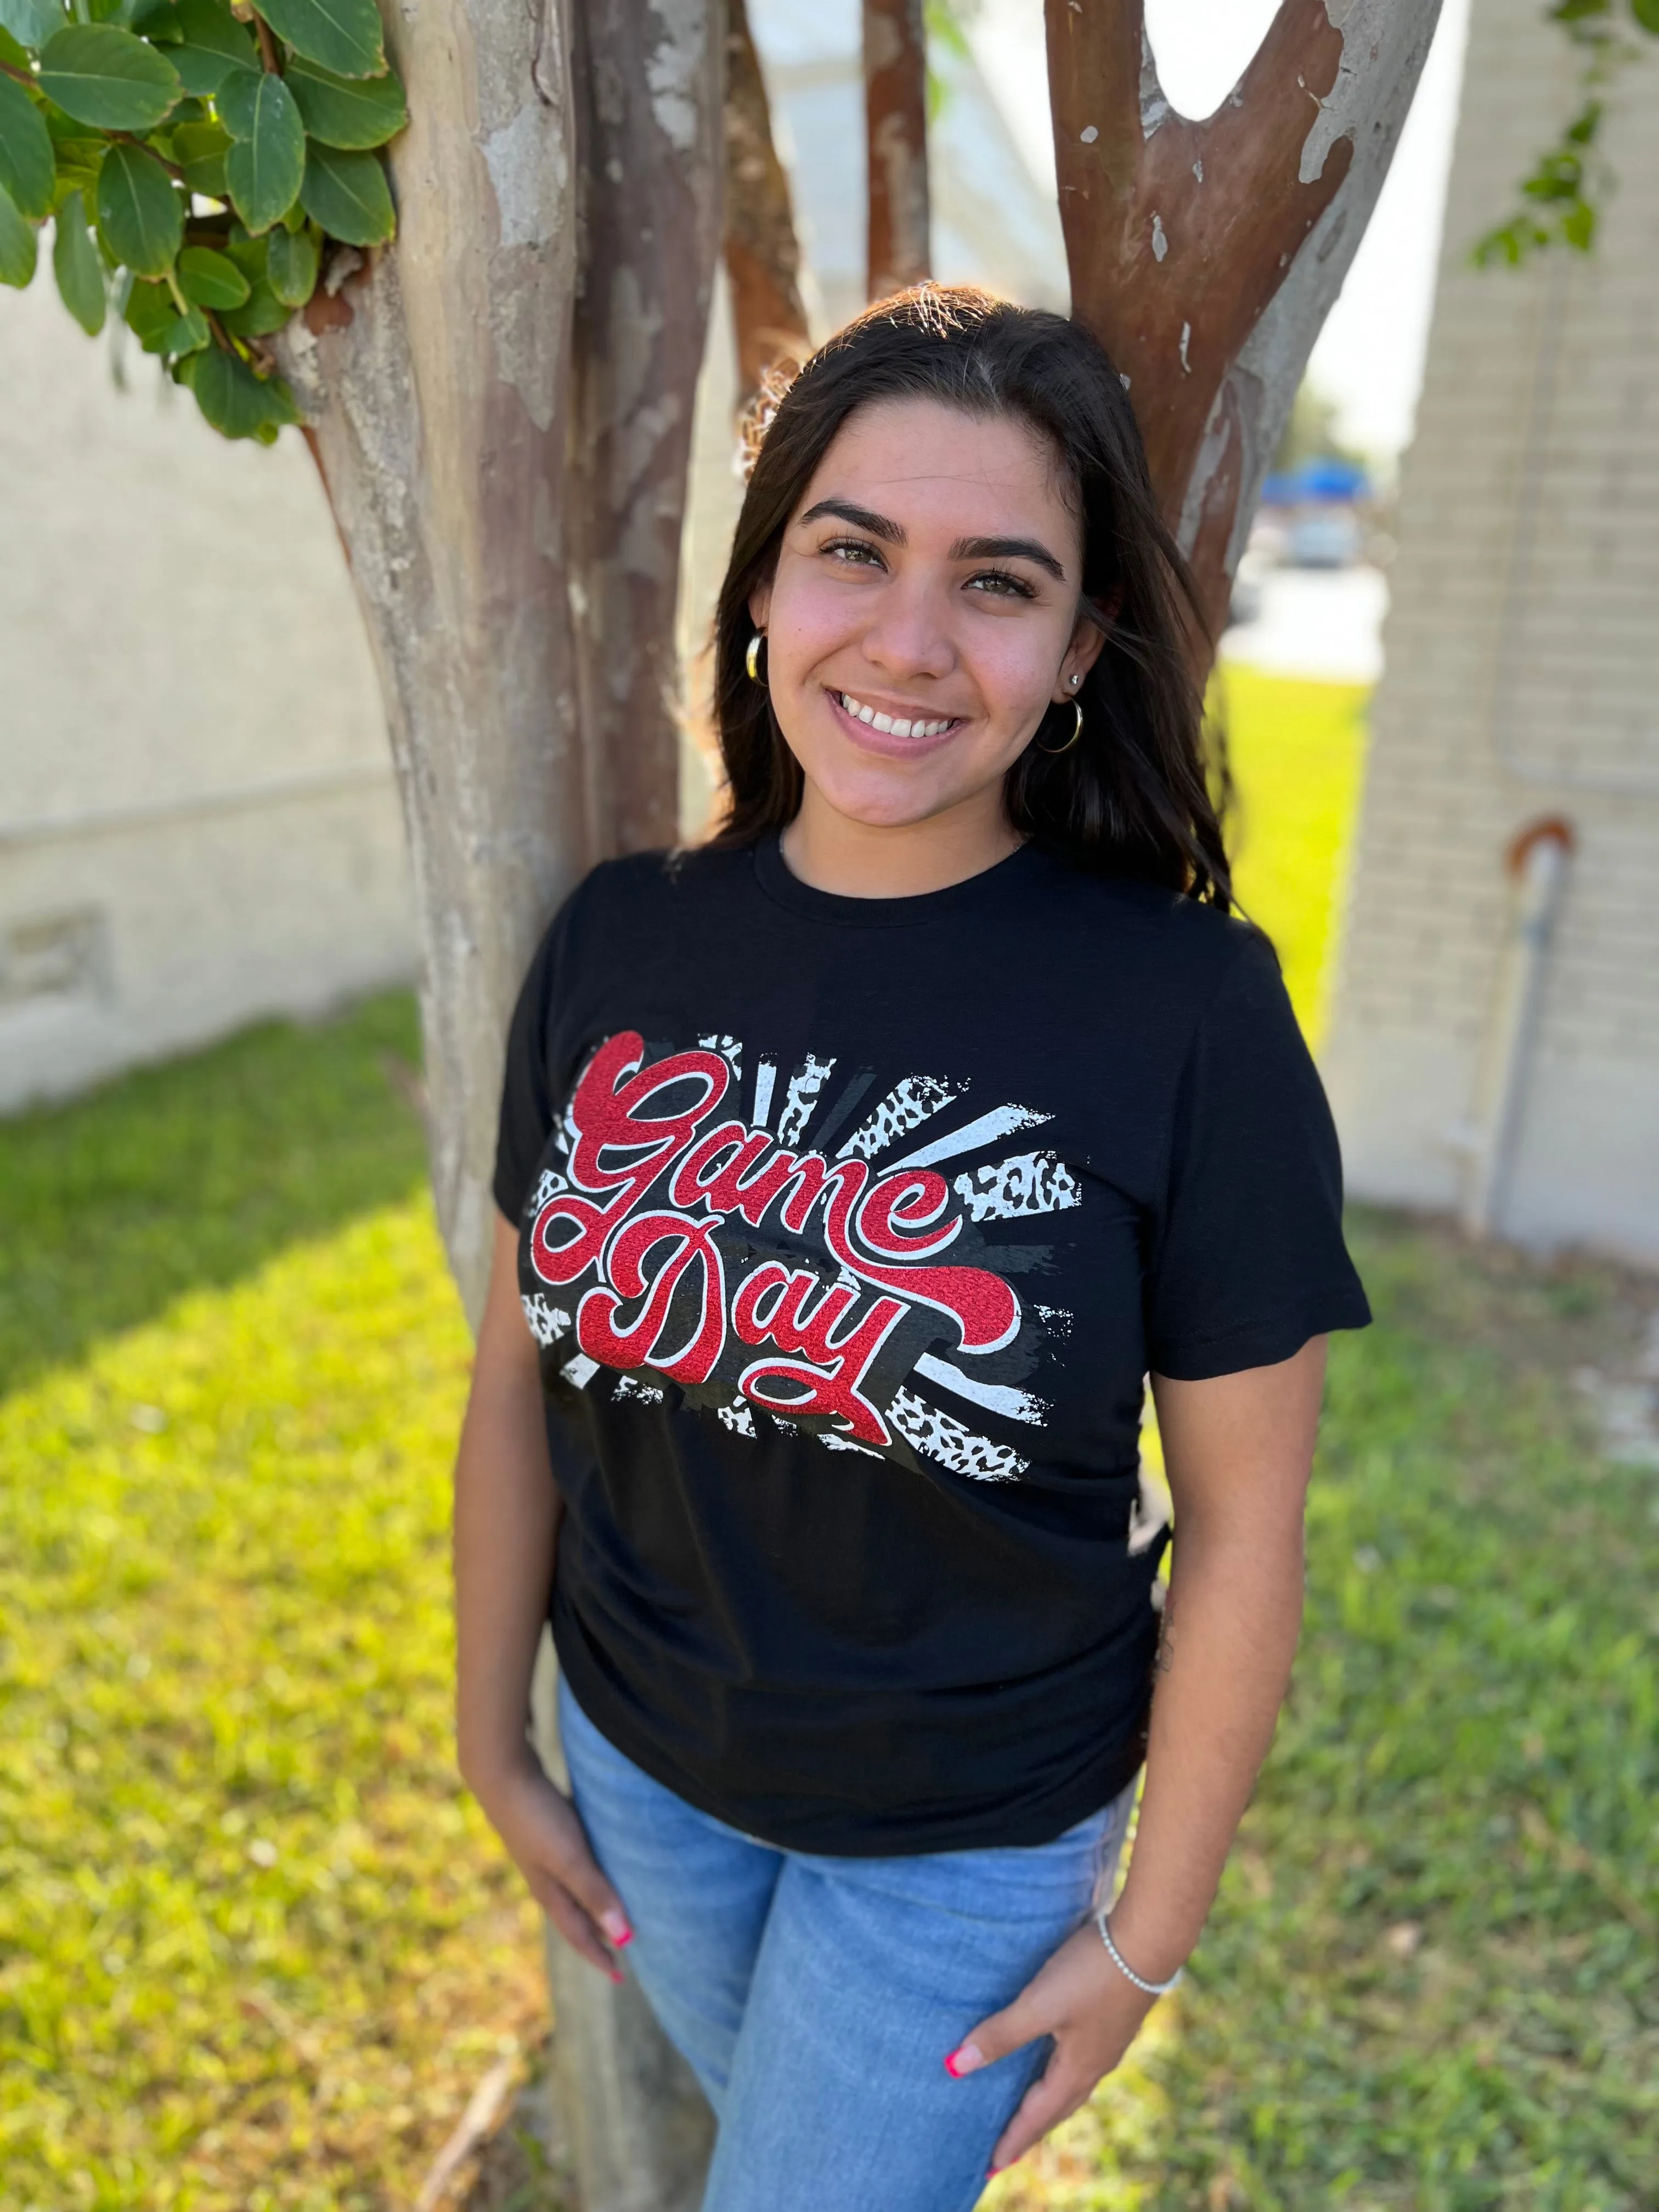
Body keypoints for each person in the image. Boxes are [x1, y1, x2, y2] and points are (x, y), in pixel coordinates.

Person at [453, 284, 1370, 2210]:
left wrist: (1146, 1939)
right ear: (769, 583)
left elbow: (1247, 1527)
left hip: (962, 1844)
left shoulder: (1185, 1011)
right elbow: (517, 1380)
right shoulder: (618, 940)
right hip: (640, 1772)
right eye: (852, 551)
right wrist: (493, 1740)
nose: (908, 638)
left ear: (1079, 646)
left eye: (1001, 581)